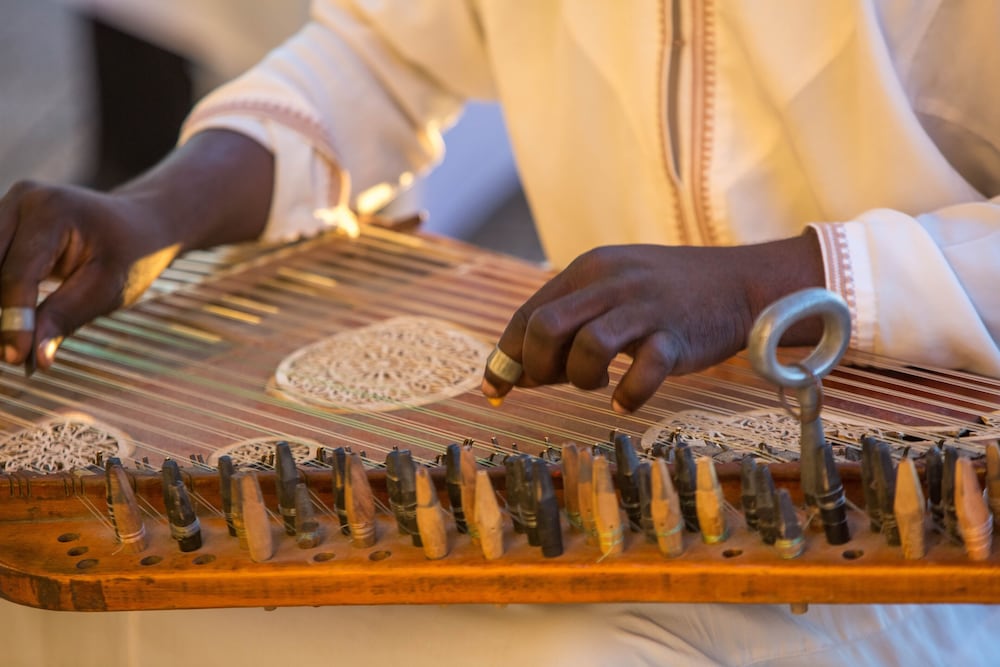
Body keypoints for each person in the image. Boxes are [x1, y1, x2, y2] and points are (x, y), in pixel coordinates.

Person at [2, 1, 1000, 665]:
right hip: (589, 472)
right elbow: (379, 55)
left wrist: (778, 279)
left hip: (909, 527)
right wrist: (156, 210)